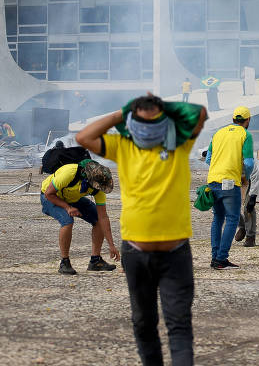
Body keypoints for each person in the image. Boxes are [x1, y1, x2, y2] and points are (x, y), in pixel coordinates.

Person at [76, 94, 207, 366]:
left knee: (178, 324)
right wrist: (125, 111)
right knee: (144, 322)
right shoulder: (124, 145)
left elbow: (200, 113)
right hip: (137, 252)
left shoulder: (177, 144)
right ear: (131, 122)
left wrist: (152, 107)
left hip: (174, 252)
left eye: (154, 122)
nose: (147, 130)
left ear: (164, 122)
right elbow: (83, 137)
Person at [40, 160, 118, 275]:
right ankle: (64, 262)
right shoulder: (69, 173)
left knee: (97, 220)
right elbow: (48, 193)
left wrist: (112, 245)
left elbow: (103, 217)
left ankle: (95, 261)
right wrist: (67, 208)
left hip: (73, 199)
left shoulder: (98, 188)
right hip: (51, 197)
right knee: (67, 220)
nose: (99, 188)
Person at [205, 106, 254, 269]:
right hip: (230, 182)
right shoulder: (245, 135)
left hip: (212, 180)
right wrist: (244, 176)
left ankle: (215, 258)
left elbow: (208, 159)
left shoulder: (218, 133)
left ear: (233, 119)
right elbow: (248, 163)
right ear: (247, 120)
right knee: (232, 219)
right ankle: (221, 259)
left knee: (217, 218)